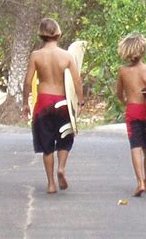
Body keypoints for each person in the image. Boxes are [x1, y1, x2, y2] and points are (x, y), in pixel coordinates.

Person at [22, 18, 84, 194]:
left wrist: (25, 103)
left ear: (41, 35)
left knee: (47, 144)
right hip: (62, 102)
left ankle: (50, 184)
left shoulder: (36, 55)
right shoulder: (67, 56)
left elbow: (28, 82)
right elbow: (76, 81)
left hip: (43, 103)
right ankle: (61, 168)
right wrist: (80, 101)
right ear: (58, 33)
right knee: (65, 138)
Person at [116, 33, 146, 197]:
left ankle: (140, 182)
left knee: (135, 146)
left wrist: (126, 102)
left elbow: (118, 94)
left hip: (133, 110)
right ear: (143, 50)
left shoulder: (123, 72)